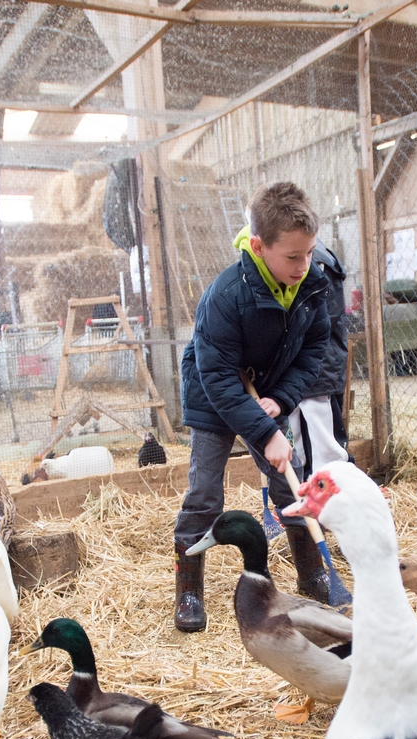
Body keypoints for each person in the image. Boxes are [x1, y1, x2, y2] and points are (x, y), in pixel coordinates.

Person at [172, 182, 333, 632]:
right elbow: (219, 378)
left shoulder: (311, 285)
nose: (304, 267)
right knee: (205, 491)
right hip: (214, 393)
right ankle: (188, 592)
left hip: (266, 390)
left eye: (309, 253)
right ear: (259, 246)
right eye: (292, 257)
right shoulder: (226, 296)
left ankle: (313, 574)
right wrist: (264, 433)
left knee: (290, 484)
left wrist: (280, 401)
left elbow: (313, 349)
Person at [291, 239, 352, 481]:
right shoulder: (311, 254)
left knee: (324, 439)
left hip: (316, 367)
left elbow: (323, 320)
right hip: (306, 366)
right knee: (300, 436)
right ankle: (303, 493)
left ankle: (336, 490)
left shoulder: (313, 261)